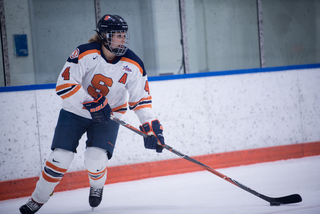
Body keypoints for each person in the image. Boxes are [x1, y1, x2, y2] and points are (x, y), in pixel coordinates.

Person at [19, 14, 165, 214]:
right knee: (59, 158)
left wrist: (150, 128)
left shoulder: (133, 64)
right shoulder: (85, 53)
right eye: (117, 35)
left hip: (108, 116)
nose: (123, 39)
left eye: (124, 35)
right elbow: (64, 85)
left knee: (96, 159)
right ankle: (37, 198)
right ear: (105, 36)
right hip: (75, 112)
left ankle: (96, 186)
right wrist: (89, 102)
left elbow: (141, 100)